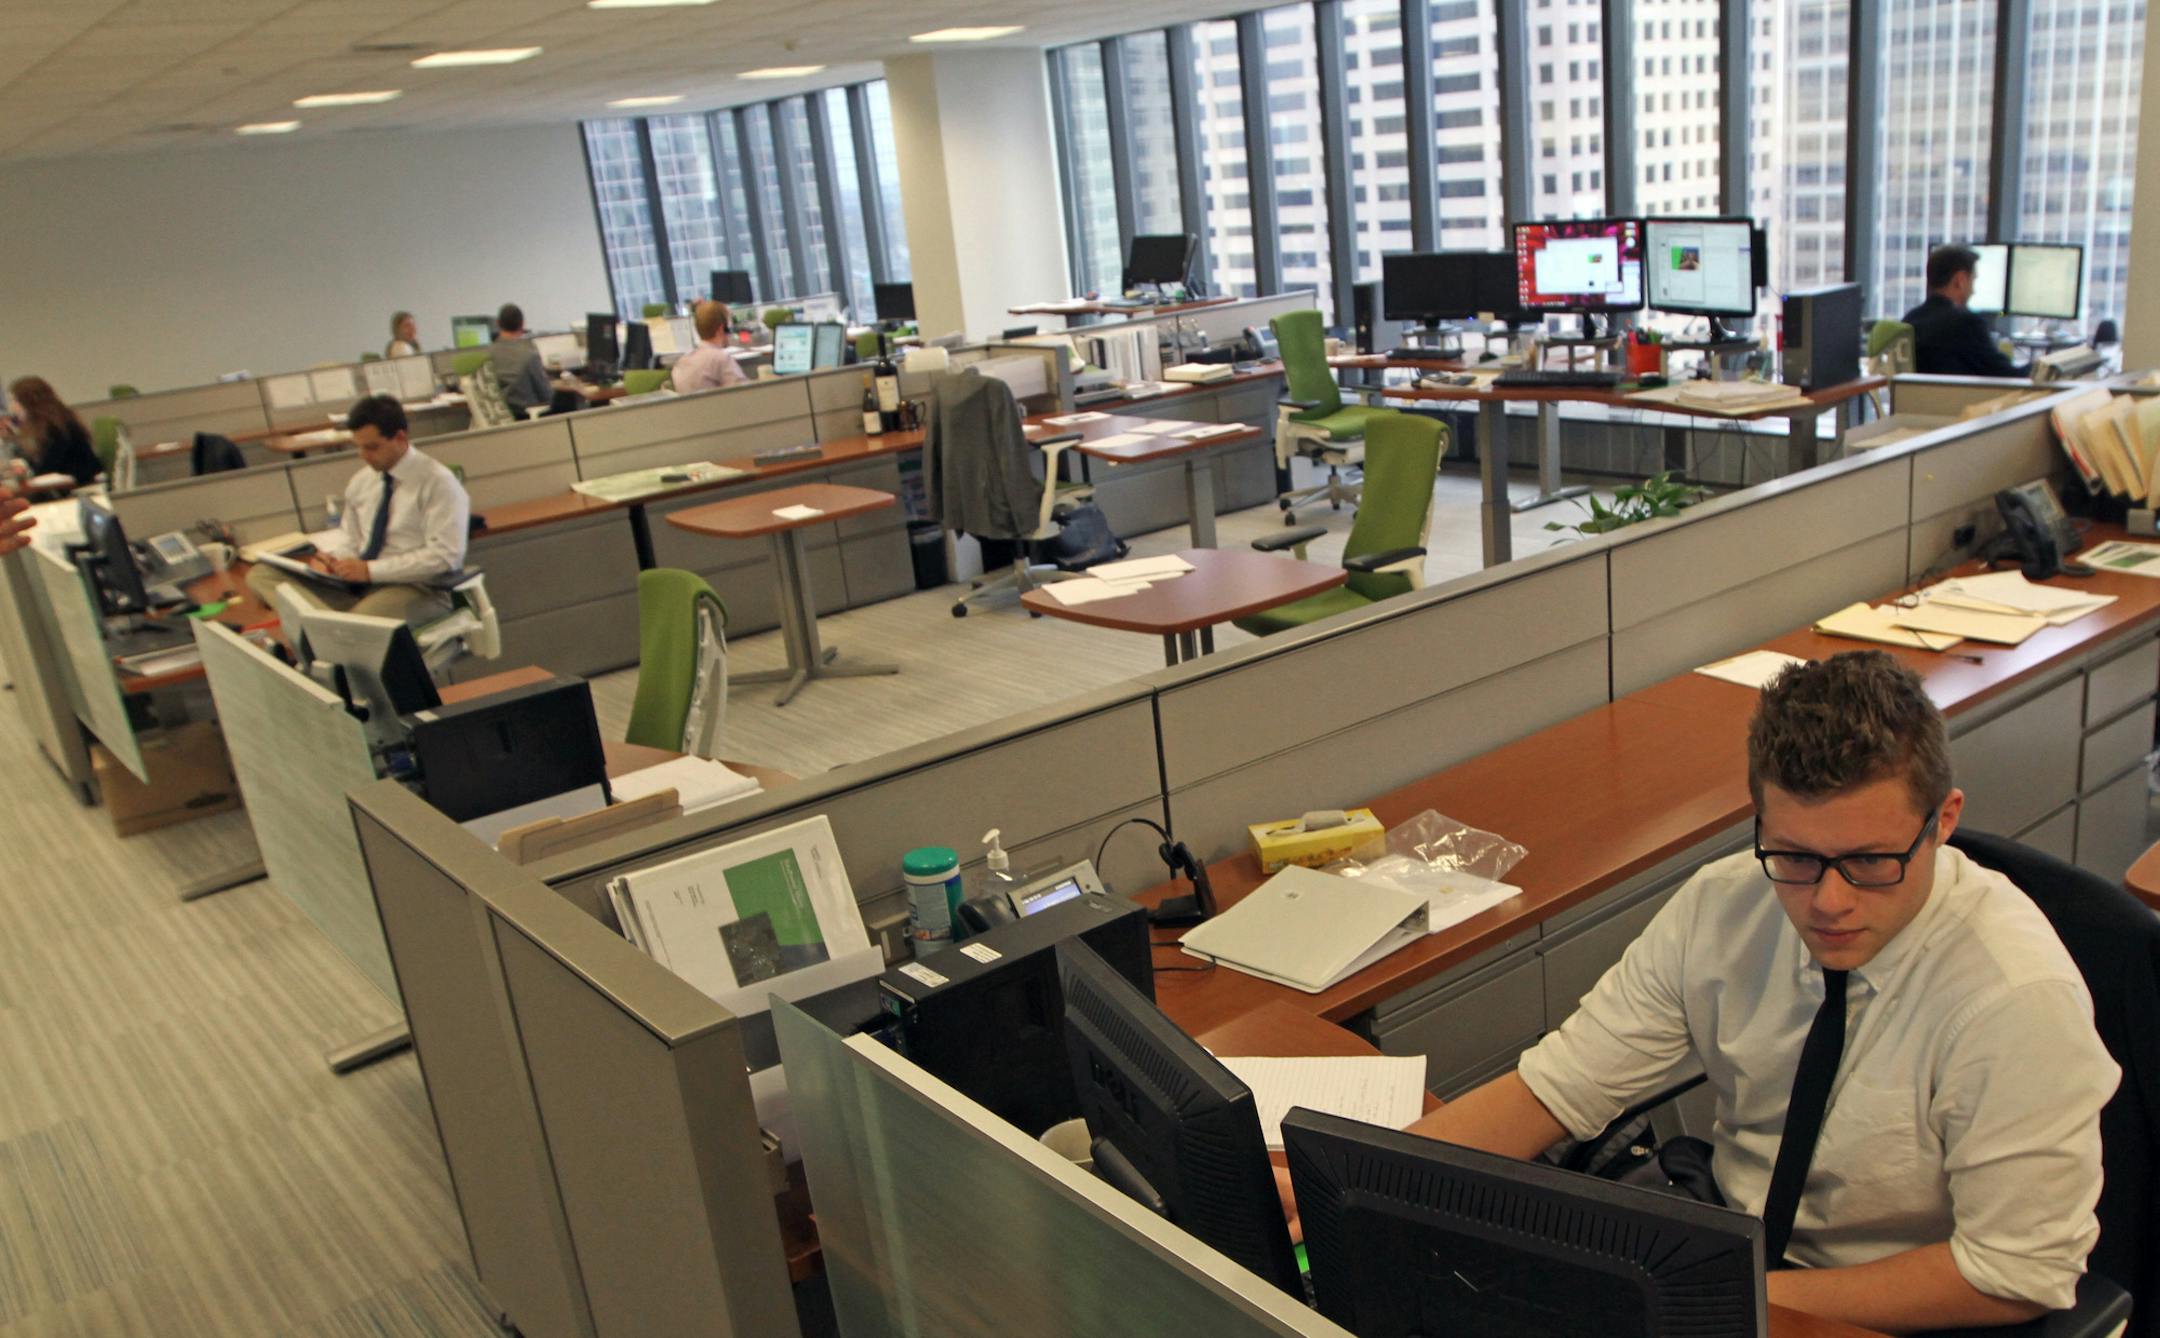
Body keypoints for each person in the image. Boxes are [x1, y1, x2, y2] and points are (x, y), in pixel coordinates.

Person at [1287, 652, 2118, 1334]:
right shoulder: (1726, 907)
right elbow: (1557, 1089)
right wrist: (1350, 1183)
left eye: (1870, 861)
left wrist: (1747, 1300)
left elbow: (2013, 1274)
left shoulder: (2014, 998)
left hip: (1893, 1309)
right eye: (1793, 856)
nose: (1827, 901)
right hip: (1737, 1261)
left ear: (1943, 820)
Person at [245, 395, 470, 624]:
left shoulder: (437, 482)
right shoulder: (362, 482)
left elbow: (445, 557)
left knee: (353, 627)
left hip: (419, 587)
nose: (364, 455)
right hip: (361, 584)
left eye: (372, 447)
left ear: (400, 438)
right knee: (262, 574)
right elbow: (352, 540)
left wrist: (370, 571)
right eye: (359, 447)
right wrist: (333, 561)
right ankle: (329, 626)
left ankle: (331, 627)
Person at [1902, 245, 2021, 377]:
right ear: (1960, 280)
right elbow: (2006, 375)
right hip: (1963, 397)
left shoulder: (1910, 320)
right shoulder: (1966, 323)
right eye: (1973, 280)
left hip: (1917, 397)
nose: (1973, 291)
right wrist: (2041, 367)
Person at [5, 376, 103, 485]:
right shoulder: (52, 422)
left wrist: (23, 463)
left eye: (14, 400)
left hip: (77, 482)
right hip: (67, 481)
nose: (11, 406)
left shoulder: (58, 427)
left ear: (29, 402)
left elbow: (47, 467)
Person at [487, 303, 554, 417]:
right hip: (529, 417)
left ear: (498, 323)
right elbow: (546, 395)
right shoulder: (529, 354)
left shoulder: (488, 355)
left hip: (503, 418)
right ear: (522, 325)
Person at [670, 301, 748, 393]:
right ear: (721, 329)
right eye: (729, 329)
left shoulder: (682, 362)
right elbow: (744, 393)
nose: (730, 334)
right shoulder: (720, 358)